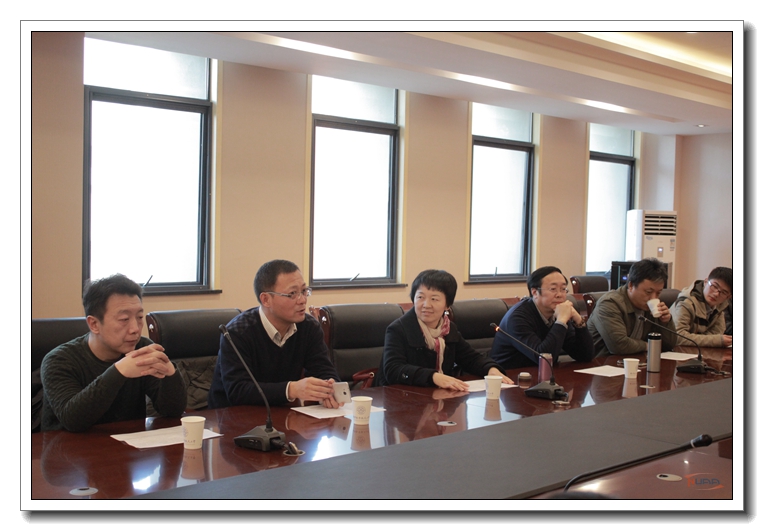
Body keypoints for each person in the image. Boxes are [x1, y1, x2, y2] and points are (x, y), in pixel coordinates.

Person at [40, 274, 187, 432]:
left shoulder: (142, 349)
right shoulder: (58, 360)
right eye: (124, 319)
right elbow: (73, 420)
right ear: (94, 324)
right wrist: (119, 371)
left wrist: (170, 375)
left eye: (139, 317)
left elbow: (172, 411)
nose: (135, 329)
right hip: (68, 445)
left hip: (128, 444)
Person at [208, 259, 342, 409]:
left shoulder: (309, 327)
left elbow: (323, 369)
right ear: (266, 299)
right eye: (292, 294)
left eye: (304, 291)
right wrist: (291, 390)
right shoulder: (237, 332)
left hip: (282, 412)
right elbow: (238, 391)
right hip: (231, 415)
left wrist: (331, 389)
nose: (302, 300)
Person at [374, 269, 513, 391]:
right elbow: (393, 370)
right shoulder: (398, 329)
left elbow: (470, 358)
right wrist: (433, 377)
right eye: (420, 297)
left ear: (447, 305)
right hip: (400, 397)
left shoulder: (448, 329)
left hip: (436, 396)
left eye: (434, 299)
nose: (426, 305)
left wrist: (490, 369)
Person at [490, 266, 595, 370]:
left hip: (545, 375)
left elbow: (585, 356)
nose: (559, 295)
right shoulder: (517, 318)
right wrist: (561, 321)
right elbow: (544, 358)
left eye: (563, 289)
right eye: (553, 289)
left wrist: (578, 321)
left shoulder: (558, 313)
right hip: (510, 376)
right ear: (535, 292)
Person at [587, 258, 677, 357]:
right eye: (648, 292)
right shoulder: (610, 303)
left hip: (636, 361)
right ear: (631, 286)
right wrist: (649, 345)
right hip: (603, 363)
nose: (654, 298)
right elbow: (619, 345)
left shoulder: (651, 307)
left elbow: (669, 345)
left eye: (658, 293)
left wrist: (665, 322)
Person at [670, 267, 732, 347]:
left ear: (728, 297)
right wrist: (717, 340)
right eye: (714, 286)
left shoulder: (719, 306)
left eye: (723, 292)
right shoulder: (686, 303)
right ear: (705, 282)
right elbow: (677, 337)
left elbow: (716, 332)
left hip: (696, 351)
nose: (716, 294)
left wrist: (713, 339)